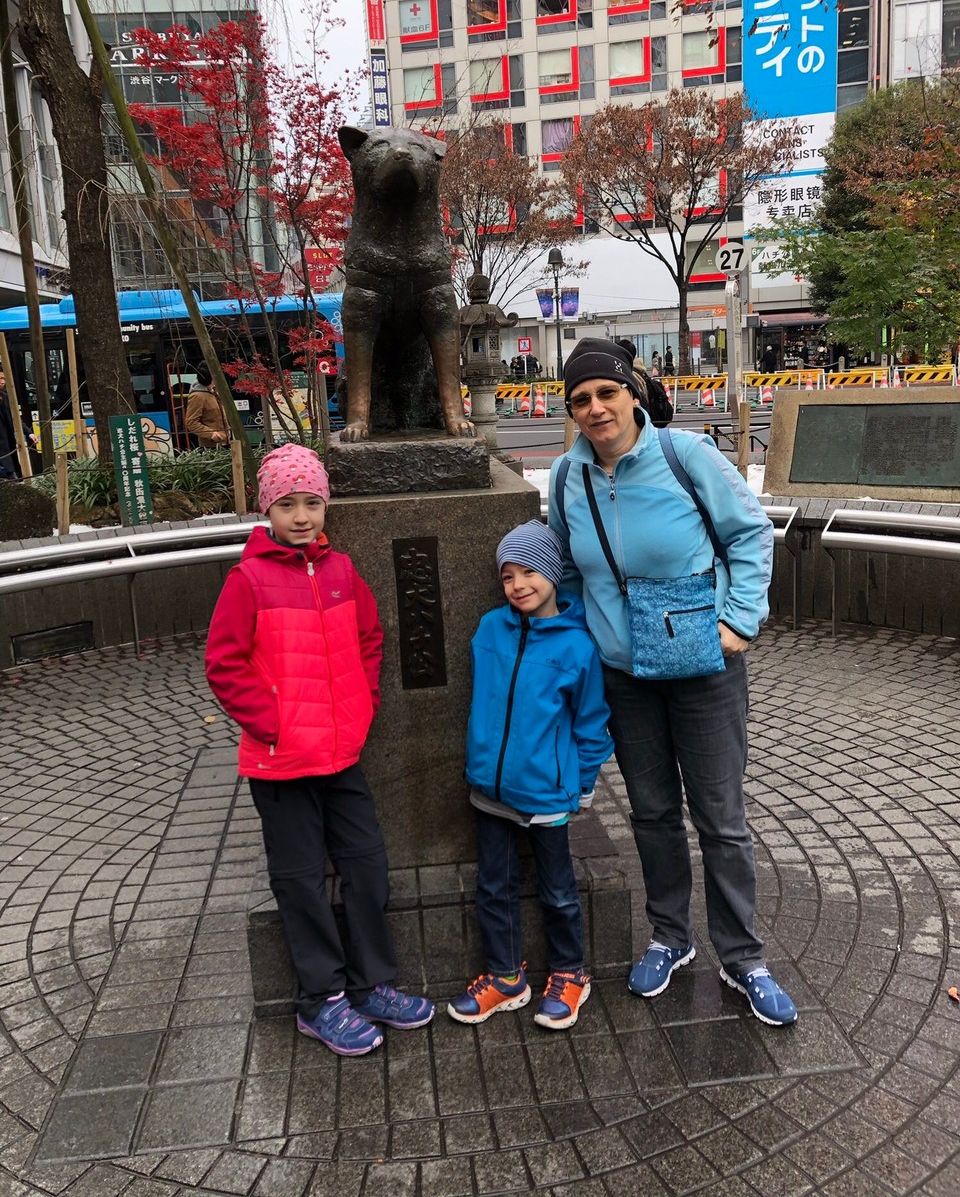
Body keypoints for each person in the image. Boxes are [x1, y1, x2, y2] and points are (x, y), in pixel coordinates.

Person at [548, 337, 797, 1026]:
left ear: (632, 394)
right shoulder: (569, 480)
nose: (596, 408)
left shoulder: (685, 458)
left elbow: (750, 534)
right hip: (625, 676)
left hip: (704, 667)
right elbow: (568, 570)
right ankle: (670, 937)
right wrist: (580, 638)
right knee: (652, 813)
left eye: (606, 393)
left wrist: (741, 621)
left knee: (720, 819)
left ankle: (743, 956)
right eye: (581, 400)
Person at [205, 443, 435, 1056]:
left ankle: (372, 983)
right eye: (287, 504)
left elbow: (370, 639)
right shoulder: (248, 578)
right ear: (267, 510)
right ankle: (320, 999)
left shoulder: (340, 571)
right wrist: (273, 725)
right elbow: (224, 664)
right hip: (281, 762)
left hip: (342, 755)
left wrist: (362, 709)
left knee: (366, 866)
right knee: (301, 879)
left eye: (311, 502)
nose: (302, 516)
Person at [448, 521, 613, 1030]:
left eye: (529, 573)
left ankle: (569, 973)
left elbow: (591, 723)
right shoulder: (488, 629)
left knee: (558, 890)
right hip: (489, 789)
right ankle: (504, 976)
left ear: (552, 573)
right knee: (492, 886)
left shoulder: (577, 647)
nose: (518, 585)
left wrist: (582, 784)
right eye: (508, 576)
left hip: (546, 793)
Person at [0, 368, 38, 480]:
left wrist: (29, 433)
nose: (2, 382)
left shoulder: (6, 397)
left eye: (4, 378)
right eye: (0, 378)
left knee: (13, 474)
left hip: (7, 442)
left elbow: (15, 418)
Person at [185, 366, 229, 447]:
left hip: (226, 440)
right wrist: (211, 434)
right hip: (211, 445)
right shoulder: (197, 396)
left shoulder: (214, 391)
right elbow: (191, 422)